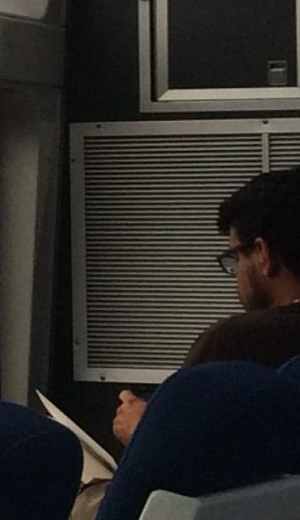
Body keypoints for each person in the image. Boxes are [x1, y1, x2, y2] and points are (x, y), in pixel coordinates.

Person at [114, 167, 300, 444]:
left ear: (263, 254)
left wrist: (142, 430)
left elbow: (182, 462)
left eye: (235, 256)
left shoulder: (235, 342)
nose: (236, 271)